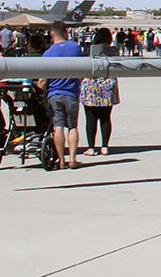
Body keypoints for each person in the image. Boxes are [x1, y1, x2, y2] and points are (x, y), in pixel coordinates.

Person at [40, 22, 84, 168]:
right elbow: (82, 70)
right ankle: (72, 158)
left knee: (58, 126)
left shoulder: (48, 53)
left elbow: (43, 79)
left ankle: (62, 160)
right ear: (66, 32)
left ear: (52, 34)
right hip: (71, 92)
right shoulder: (76, 48)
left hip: (55, 93)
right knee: (72, 126)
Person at [80, 27, 119, 156]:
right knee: (105, 118)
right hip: (107, 85)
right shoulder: (113, 50)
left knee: (91, 119)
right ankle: (105, 146)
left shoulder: (89, 49)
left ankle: (91, 147)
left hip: (91, 85)